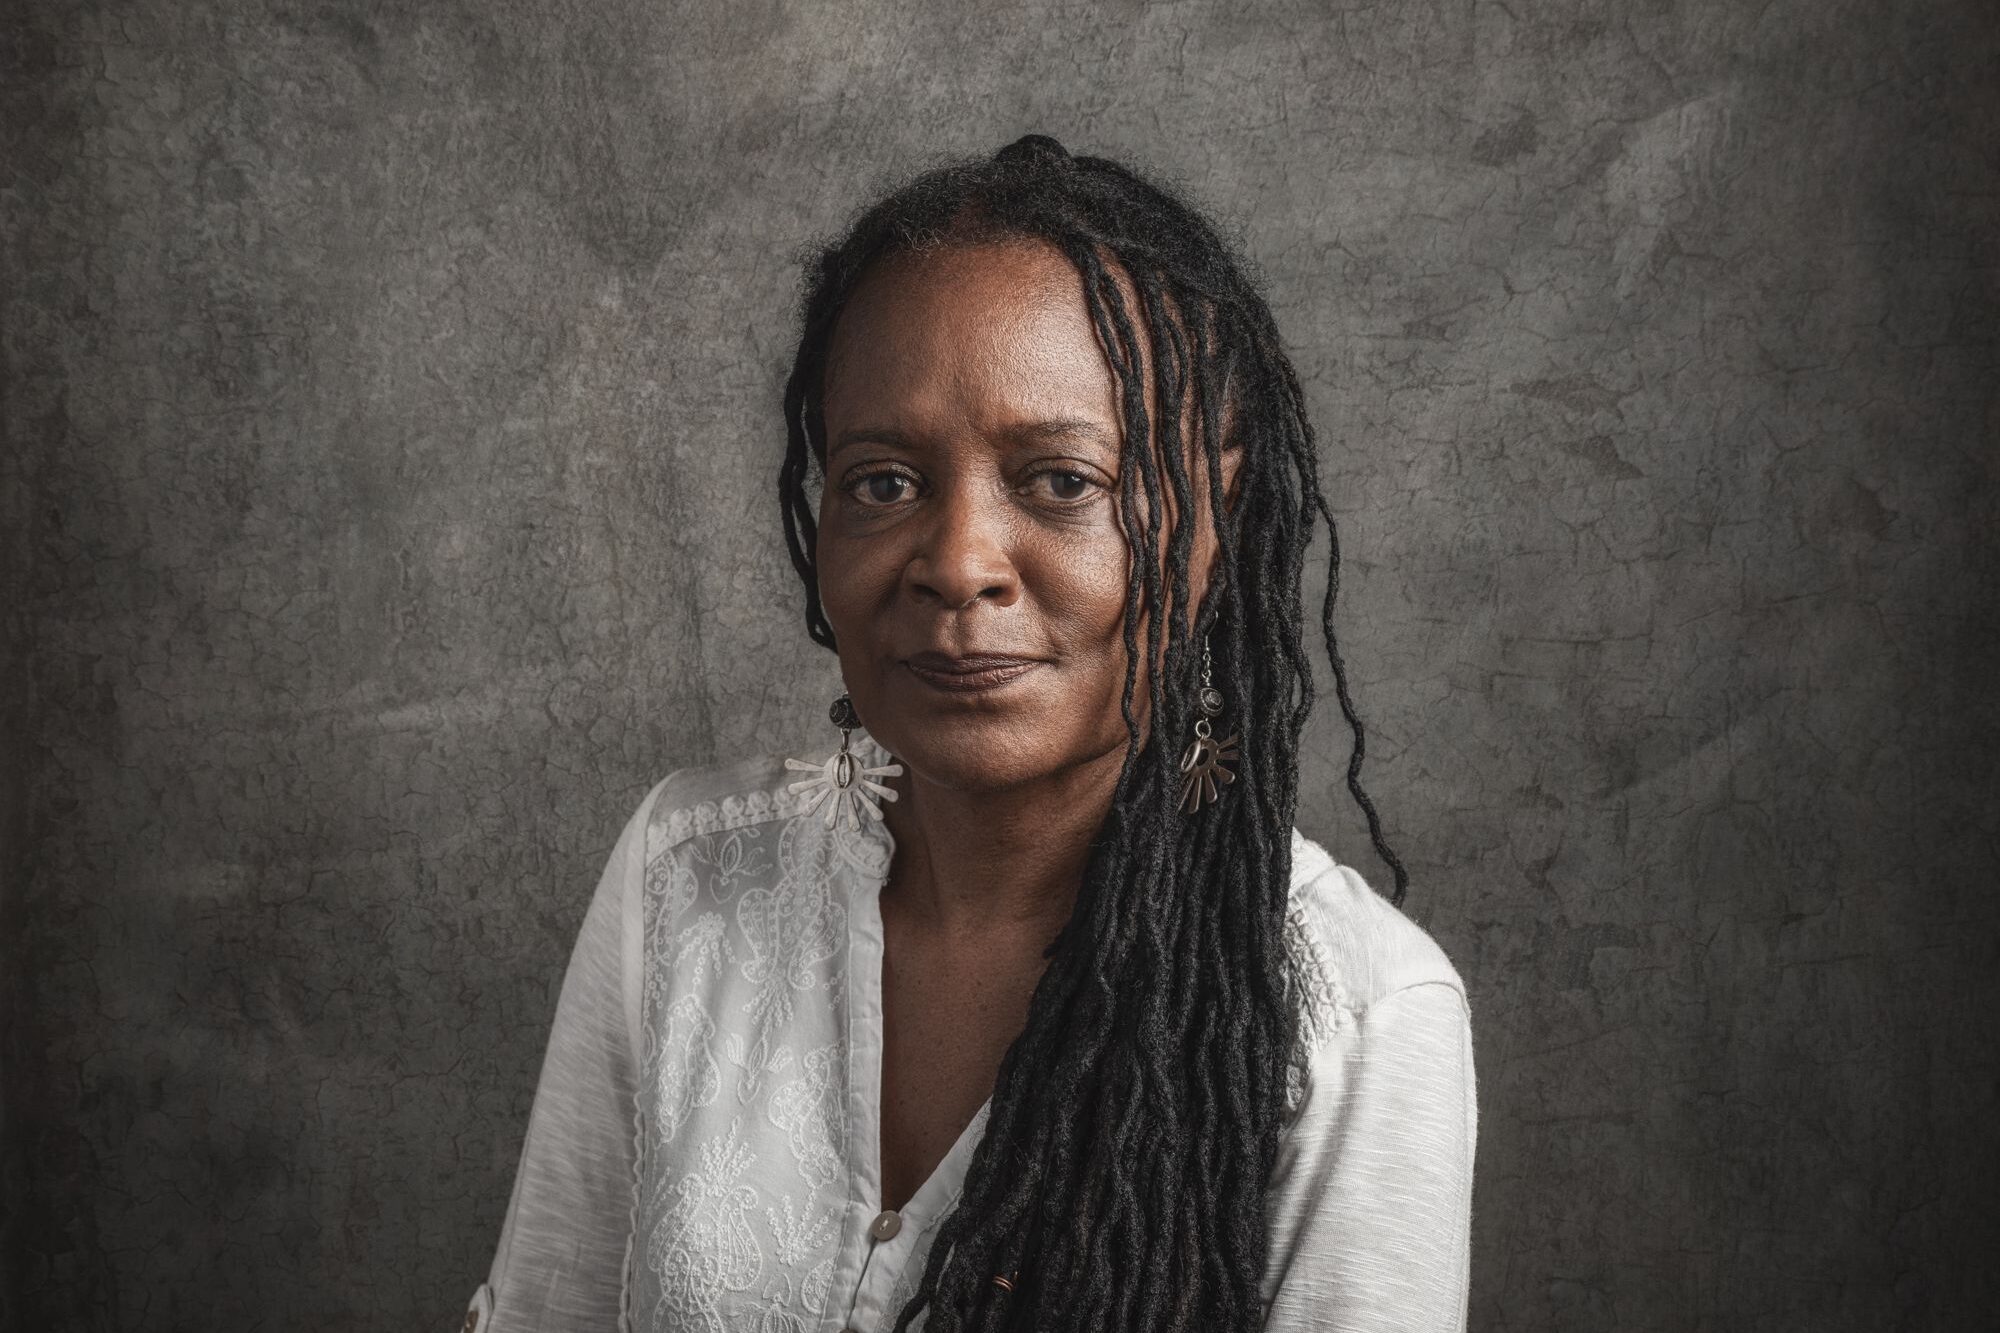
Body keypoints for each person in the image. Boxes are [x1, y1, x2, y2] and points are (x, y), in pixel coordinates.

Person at [465, 134, 1476, 1333]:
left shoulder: (1356, 1018)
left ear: (1215, 517)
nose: (956, 564)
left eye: (1061, 482)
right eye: (883, 482)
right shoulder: (689, 872)